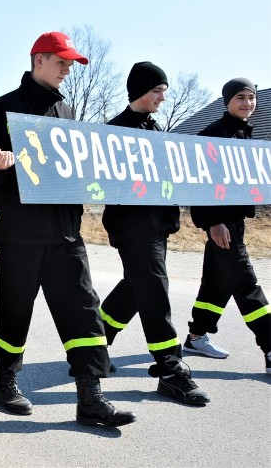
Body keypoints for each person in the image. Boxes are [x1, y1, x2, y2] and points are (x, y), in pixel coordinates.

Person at [0, 32, 135, 427]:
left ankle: (90, 396)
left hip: (66, 234)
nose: (67, 70)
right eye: (61, 63)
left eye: (70, 65)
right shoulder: (4, 107)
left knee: (84, 313)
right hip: (21, 235)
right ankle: (6, 382)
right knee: (14, 312)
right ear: (39, 60)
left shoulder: (66, 111)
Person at [98, 62, 209, 405]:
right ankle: (170, 369)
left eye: (164, 91)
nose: (162, 97)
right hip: (132, 226)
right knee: (155, 289)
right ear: (139, 92)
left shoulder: (158, 130)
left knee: (137, 284)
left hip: (158, 224)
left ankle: (96, 342)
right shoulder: (113, 132)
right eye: (156, 90)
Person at [186, 78, 270, 374]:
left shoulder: (245, 134)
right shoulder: (213, 134)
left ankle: (196, 336)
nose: (247, 103)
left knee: (218, 283)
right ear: (226, 102)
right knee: (247, 284)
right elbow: (200, 184)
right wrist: (213, 222)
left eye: (251, 97)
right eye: (240, 97)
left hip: (234, 221)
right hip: (222, 225)